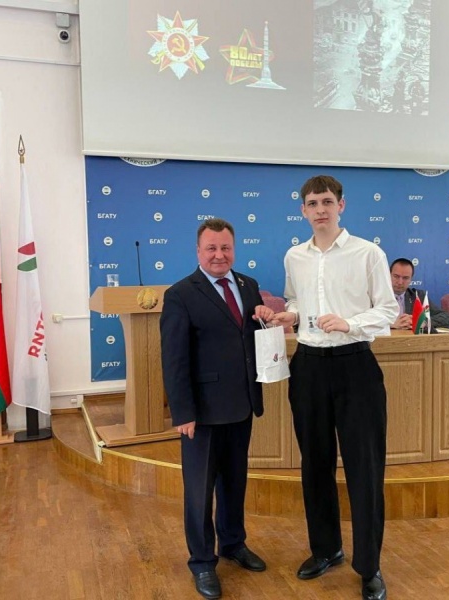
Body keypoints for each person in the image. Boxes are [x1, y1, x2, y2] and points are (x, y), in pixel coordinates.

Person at [268, 175, 397, 600]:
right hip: (308, 366)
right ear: (302, 210)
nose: (320, 209)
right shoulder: (294, 256)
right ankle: (326, 549)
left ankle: (369, 566)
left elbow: (388, 309)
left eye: (326, 201)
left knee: (365, 468)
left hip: (355, 365)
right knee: (315, 464)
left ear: (341, 205)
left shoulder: (368, 253)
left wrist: (350, 323)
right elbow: (295, 299)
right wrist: (291, 314)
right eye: (312, 203)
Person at [159, 217, 275, 600]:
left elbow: (250, 337)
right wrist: (183, 412)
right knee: (199, 492)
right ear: (198, 251)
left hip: (242, 405)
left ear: (234, 249)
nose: (219, 255)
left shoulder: (249, 285)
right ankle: (202, 561)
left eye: (225, 248)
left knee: (234, 482)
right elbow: (174, 359)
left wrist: (267, 320)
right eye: (211, 248)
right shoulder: (180, 294)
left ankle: (233, 543)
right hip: (203, 413)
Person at [389, 257, 449, 332]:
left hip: (410, 338)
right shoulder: (378, 296)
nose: (400, 282)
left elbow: (447, 318)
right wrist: (389, 324)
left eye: (405, 278)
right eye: (396, 276)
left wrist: (420, 322)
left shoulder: (418, 296)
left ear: (411, 279)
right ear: (389, 275)